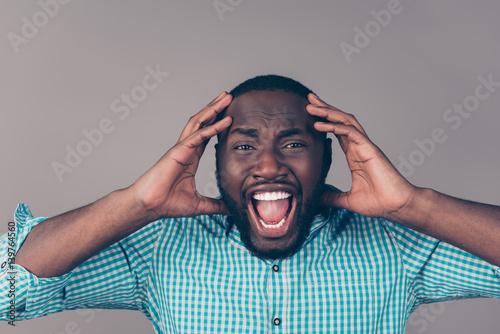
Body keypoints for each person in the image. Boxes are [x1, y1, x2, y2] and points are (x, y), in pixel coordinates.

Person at [1, 75, 499, 333]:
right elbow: (8, 289)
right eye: (243, 145)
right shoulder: (160, 245)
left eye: (294, 143)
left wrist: (415, 204)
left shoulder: (394, 243)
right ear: (214, 163)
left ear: (330, 157)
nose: (267, 165)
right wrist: (136, 203)